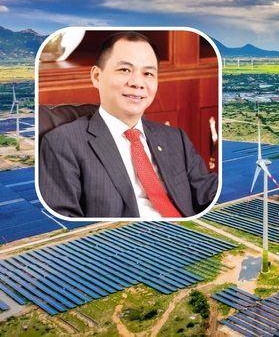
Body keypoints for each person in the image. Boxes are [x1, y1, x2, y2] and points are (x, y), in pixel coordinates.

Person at [39, 32, 218, 218]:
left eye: (148, 73)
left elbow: (208, 193)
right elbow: (66, 222)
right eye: (125, 70)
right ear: (97, 76)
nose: (137, 83)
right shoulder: (63, 143)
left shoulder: (175, 138)